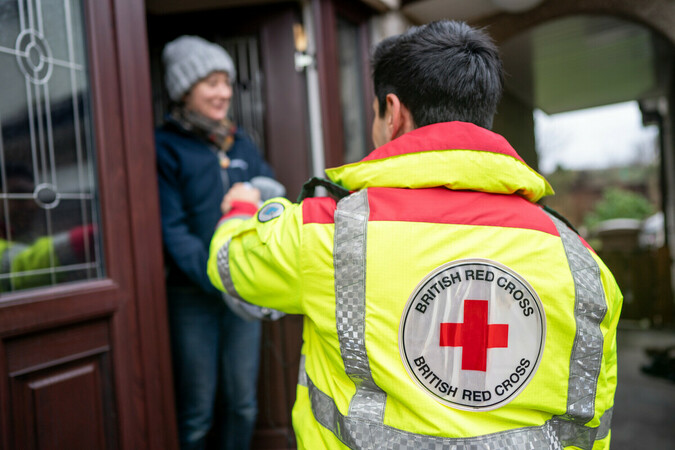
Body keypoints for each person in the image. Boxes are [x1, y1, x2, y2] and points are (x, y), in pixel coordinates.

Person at [207, 21, 622, 449]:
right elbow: (591, 420)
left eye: (374, 114)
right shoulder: (582, 264)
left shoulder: (329, 234)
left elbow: (231, 264)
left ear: (394, 112)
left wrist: (240, 207)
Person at [155, 35, 284, 450]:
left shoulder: (240, 141)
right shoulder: (165, 147)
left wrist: (257, 193)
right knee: (197, 412)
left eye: (226, 82)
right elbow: (171, 230)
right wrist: (218, 276)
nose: (224, 93)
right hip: (193, 296)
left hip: (241, 291)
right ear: (184, 89)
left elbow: (274, 195)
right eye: (211, 83)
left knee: (243, 404)